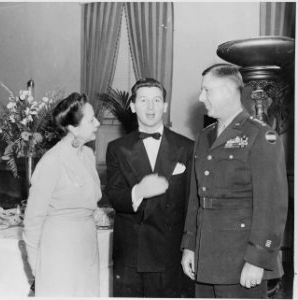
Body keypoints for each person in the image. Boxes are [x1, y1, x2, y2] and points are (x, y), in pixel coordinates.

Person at [181, 64, 288, 298]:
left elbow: (271, 204)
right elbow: (195, 199)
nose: (201, 97)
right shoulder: (204, 136)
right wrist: (189, 246)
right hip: (205, 256)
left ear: (228, 92)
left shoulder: (260, 135)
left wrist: (257, 260)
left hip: (240, 261)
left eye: (206, 90)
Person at [105, 78, 194, 297]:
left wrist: (190, 248)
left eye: (157, 100)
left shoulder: (186, 147)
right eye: (143, 100)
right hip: (131, 256)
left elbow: (192, 204)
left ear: (165, 105)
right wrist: (139, 192)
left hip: (170, 254)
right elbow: (115, 196)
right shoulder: (117, 148)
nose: (151, 107)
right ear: (133, 106)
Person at [23, 92, 101, 297]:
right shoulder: (51, 162)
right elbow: (32, 222)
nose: (98, 123)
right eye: (92, 120)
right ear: (73, 128)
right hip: (59, 253)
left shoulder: (88, 156)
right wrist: (38, 271)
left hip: (87, 248)